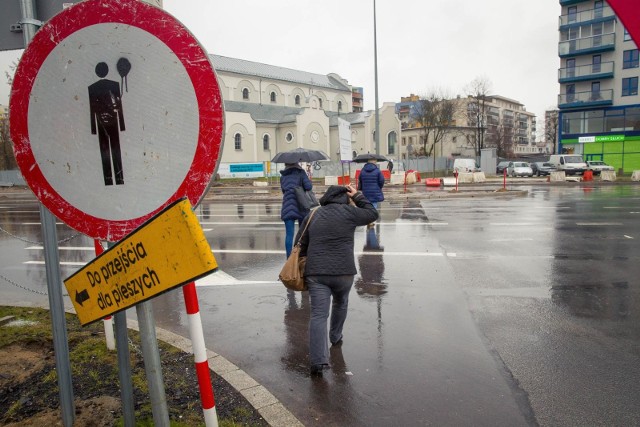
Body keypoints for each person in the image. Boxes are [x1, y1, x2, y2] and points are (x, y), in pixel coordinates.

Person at [294, 185, 378, 376]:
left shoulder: (313, 214)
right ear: (345, 198)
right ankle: (335, 336)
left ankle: (318, 361)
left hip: (317, 273)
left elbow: (300, 242)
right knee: (341, 303)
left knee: (318, 315)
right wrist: (357, 195)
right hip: (344, 272)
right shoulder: (350, 212)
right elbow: (372, 213)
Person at [280, 162, 313, 258]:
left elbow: (284, 190)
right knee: (303, 233)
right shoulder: (301, 173)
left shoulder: (283, 176)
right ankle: (301, 255)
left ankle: (289, 259)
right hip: (301, 205)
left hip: (287, 206)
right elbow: (308, 187)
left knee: (289, 235)